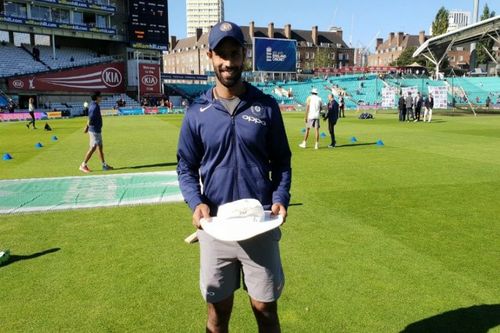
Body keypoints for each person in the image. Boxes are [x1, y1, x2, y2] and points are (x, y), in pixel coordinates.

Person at [177, 21, 291, 333]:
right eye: (222, 54)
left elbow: (282, 161)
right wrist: (195, 203)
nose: (229, 62)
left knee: (265, 310)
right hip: (216, 227)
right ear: (211, 56)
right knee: (218, 314)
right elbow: (185, 167)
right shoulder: (196, 111)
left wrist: (280, 198)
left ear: (245, 55)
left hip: (259, 225)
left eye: (235, 53)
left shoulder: (266, 107)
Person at [79, 91, 113, 173]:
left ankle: (104, 165)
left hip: (97, 130)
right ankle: (83, 165)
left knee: (100, 147)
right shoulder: (94, 107)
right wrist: (87, 127)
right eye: (100, 96)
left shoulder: (95, 105)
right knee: (93, 147)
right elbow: (90, 118)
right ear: (97, 97)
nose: (101, 97)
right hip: (94, 131)